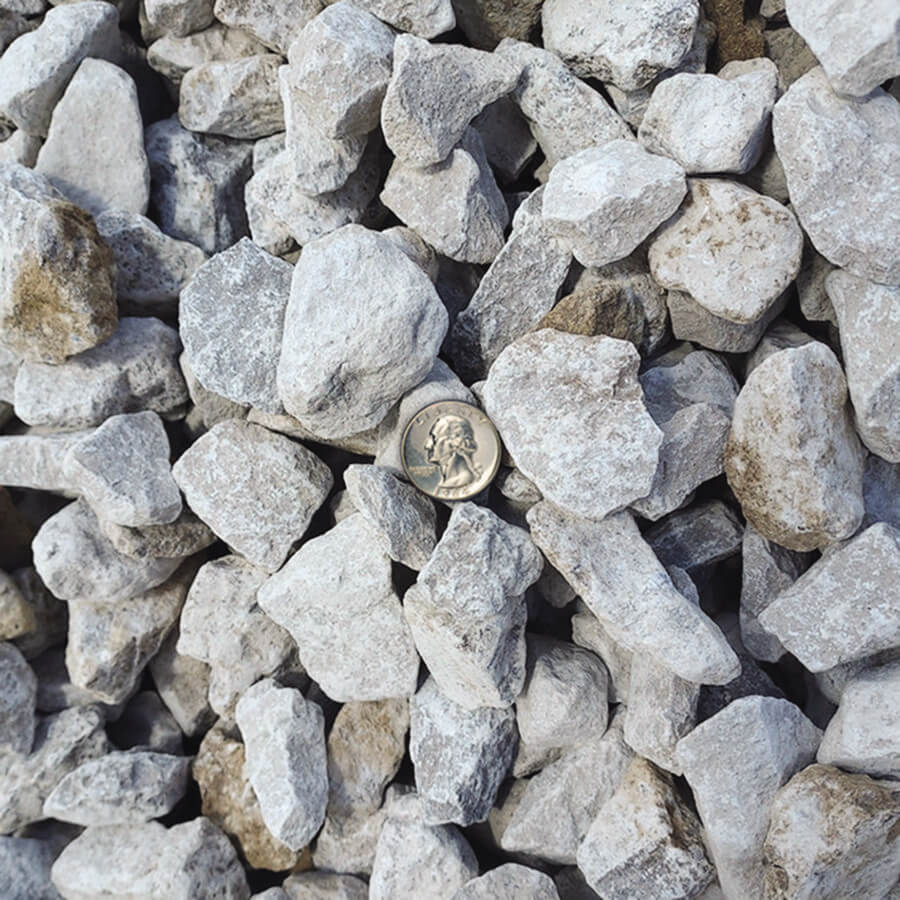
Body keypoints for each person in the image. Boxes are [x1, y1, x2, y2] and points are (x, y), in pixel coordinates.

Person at [424, 414, 481, 489]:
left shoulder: (462, 480)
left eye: (434, 438)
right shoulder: (447, 480)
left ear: (454, 443)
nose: (427, 446)